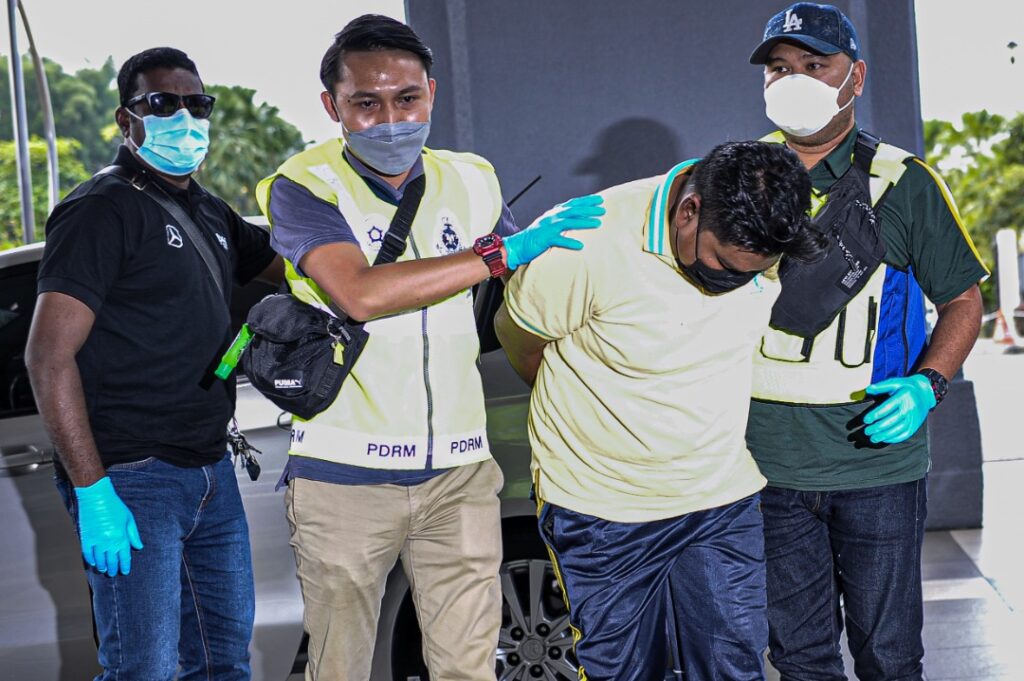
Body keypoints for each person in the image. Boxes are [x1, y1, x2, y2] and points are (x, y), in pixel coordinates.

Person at [254, 15, 603, 680]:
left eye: (407, 99)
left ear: (433, 94)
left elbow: (524, 283)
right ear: (333, 106)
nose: (391, 118)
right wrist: (497, 252)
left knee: (469, 668)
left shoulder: (471, 179)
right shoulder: (304, 184)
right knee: (341, 667)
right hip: (344, 475)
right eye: (367, 102)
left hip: (460, 472)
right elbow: (357, 292)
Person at [495, 141, 827, 681]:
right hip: (603, 506)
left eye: (751, 272)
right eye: (722, 265)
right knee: (624, 673)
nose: (733, 281)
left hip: (720, 497)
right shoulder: (591, 240)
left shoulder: (763, 237)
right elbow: (520, 338)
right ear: (688, 211)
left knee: (733, 667)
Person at [746, 4, 988, 679]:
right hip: (767, 464)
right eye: (779, 69)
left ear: (855, 77)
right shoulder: (738, 180)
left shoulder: (904, 183)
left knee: (887, 655)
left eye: (814, 65)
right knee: (800, 659)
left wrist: (927, 383)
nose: (793, 80)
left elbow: (964, 300)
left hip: (876, 461)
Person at [25, 47, 283, 679]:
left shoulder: (209, 210)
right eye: (162, 103)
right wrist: (93, 492)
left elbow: (300, 269)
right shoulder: (101, 210)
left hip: (209, 470)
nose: (184, 117)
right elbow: (46, 355)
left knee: (224, 665)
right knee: (144, 670)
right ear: (126, 118)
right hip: (133, 476)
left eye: (197, 104)